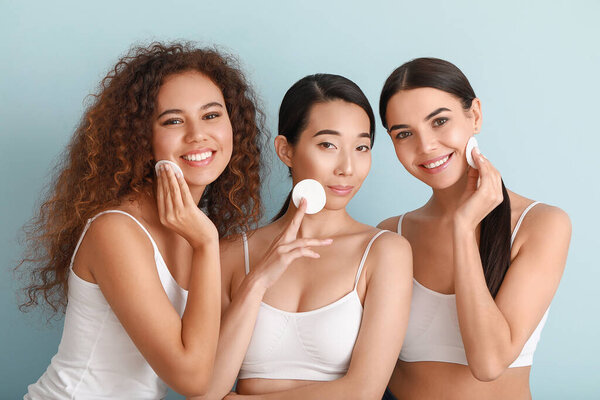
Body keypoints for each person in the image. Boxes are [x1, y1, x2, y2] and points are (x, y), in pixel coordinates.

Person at [18, 42, 265, 399]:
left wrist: (258, 280)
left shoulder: (192, 228)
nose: (197, 134)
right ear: (143, 139)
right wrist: (206, 244)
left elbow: (209, 383)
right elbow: (191, 380)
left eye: (212, 115)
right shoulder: (116, 231)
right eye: (173, 120)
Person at [193, 73, 412, 400]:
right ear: (286, 150)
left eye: (362, 147)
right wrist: (257, 282)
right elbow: (204, 393)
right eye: (328, 145)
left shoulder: (385, 252)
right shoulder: (232, 253)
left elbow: (364, 391)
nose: (347, 167)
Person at [377, 57, 571, 400]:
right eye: (404, 133)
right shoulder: (393, 234)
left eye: (439, 121)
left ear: (475, 115)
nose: (426, 146)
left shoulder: (541, 224)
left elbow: (489, 362)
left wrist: (463, 228)